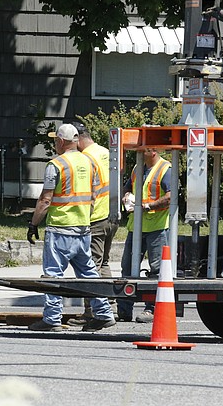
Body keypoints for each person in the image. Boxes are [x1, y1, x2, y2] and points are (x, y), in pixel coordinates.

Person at [26, 123, 116, 332]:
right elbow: (94, 195)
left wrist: (33, 223)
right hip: (83, 227)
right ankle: (103, 314)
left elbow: (45, 199)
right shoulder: (89, 162)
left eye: (55, 140)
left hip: (60, 228)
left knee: (53, 275)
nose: (54, 143)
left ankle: (52, 319)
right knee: (89, 274)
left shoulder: (56, 165)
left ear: (61, 141)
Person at [67, 121, 119, 325]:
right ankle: (111, 307)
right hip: (112, 216)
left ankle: (93, 312)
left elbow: (91, 191)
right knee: (103, 263)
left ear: (78, 139)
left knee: (90, 267)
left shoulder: (85, 158)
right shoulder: (105, 152)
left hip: (95, 217)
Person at [117, 149, 172, 323]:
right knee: (127, 268)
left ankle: (151, 310)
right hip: (136, 227)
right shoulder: (137, 168)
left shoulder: (165, 169)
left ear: (154, 150)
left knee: (156, 270)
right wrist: (126, 196)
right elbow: (127, 187)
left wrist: (148, 205)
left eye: (145, 148)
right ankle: (124, 311)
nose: (140, 151)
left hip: (157, 227)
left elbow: (171, 197)